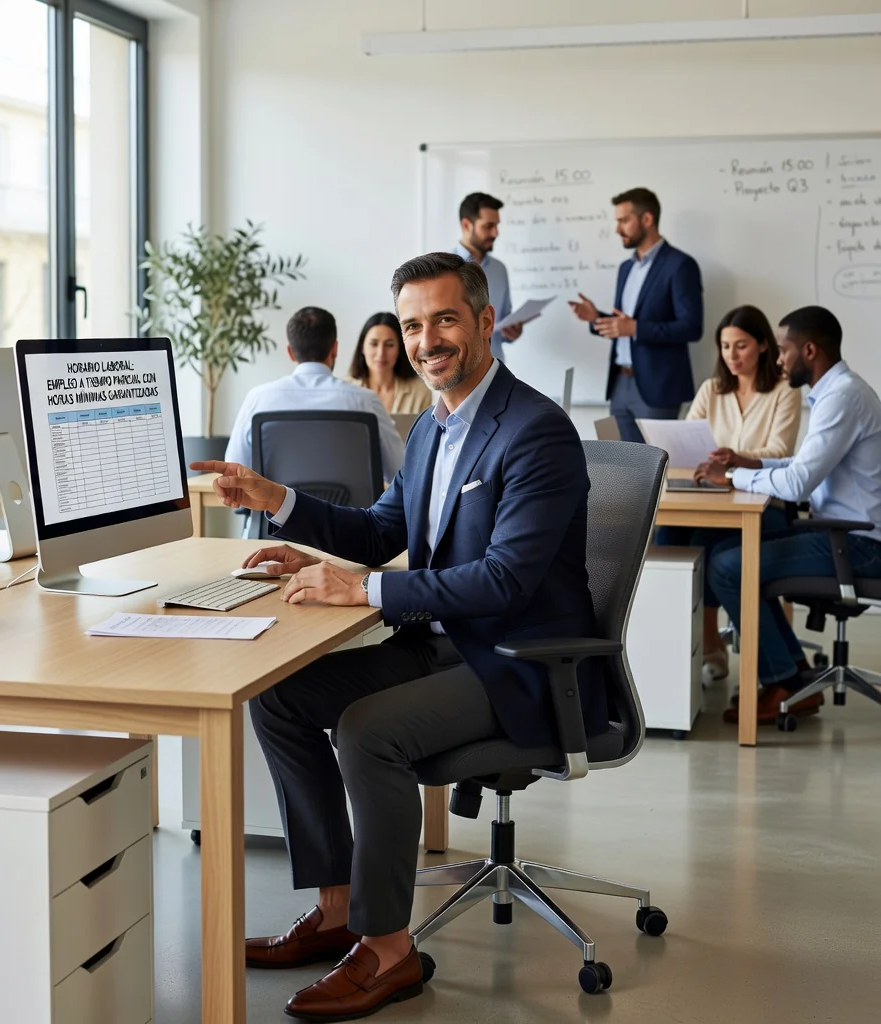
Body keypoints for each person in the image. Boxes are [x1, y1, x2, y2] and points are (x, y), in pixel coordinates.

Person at [193, 252, 607, 1021]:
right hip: (444, 643)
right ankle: (338, 907)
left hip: (518, 662)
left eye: (444, 319)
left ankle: (389, 950)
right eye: (413, 325)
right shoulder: (429, 430)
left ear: (485, 323)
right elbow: (383, 528)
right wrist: (277, 502)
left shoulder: (535, 431)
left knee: (367, 730)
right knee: (279, 694)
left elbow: (504, 581)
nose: (427, 340)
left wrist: (366, 589)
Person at [695, 306, 881, 725]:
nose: (778, 360)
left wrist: (733, 478)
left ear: (810, 350)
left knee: (728, 566)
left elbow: (798, 485)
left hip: (859, 544)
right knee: (728, 550)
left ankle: (781, 680)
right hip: (843, 533)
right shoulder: (838, 392)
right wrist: (752, 465)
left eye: (784, 350)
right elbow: (804, 464)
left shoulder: (842, 397)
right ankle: (792, 676)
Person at [657, 305, 801, 683]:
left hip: (766, 505)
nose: (732, 356)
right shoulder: (711, 390)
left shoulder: (784, 392)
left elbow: (782, 454)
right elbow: (686, 442)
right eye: (725, 347)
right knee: (667, 536)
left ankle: (713, 646)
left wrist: (738, 461)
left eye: (741, 346)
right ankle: (681, 650)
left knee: (705, 540)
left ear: (764, 346)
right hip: (712, 498)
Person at [568, 187, 704, 443]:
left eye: (623, 220)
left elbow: (691, 327)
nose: (618, 228)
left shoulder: (680, 265)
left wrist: (636, 329)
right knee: (620, 468)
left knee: (658, 469)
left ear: (647, 219)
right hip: (620, 384)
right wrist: (596, 317)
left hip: (657, 387)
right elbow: (623, 325)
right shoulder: (625, 268)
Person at [224, 305, 404, 482]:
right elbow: (400, 471)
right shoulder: (365, 402)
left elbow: (234, 473)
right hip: (348, 512)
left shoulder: (258, 399)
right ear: (334, 349)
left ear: (290, 352)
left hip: (275, 512)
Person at [453, 192, 523, 362]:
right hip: (458, 371)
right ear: (467, 225)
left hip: (496, 369)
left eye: (497, 225)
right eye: (488, 226)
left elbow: (502, 322)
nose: (495, 233)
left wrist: (512, 334)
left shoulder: (500, 270)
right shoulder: (444, 268)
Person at [346, 311, 432, 415]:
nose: (381, 353)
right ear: (362, 348)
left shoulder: (420, 391)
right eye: (374, 344)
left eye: (389, 345)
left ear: (400, 349)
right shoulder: (344, 389)